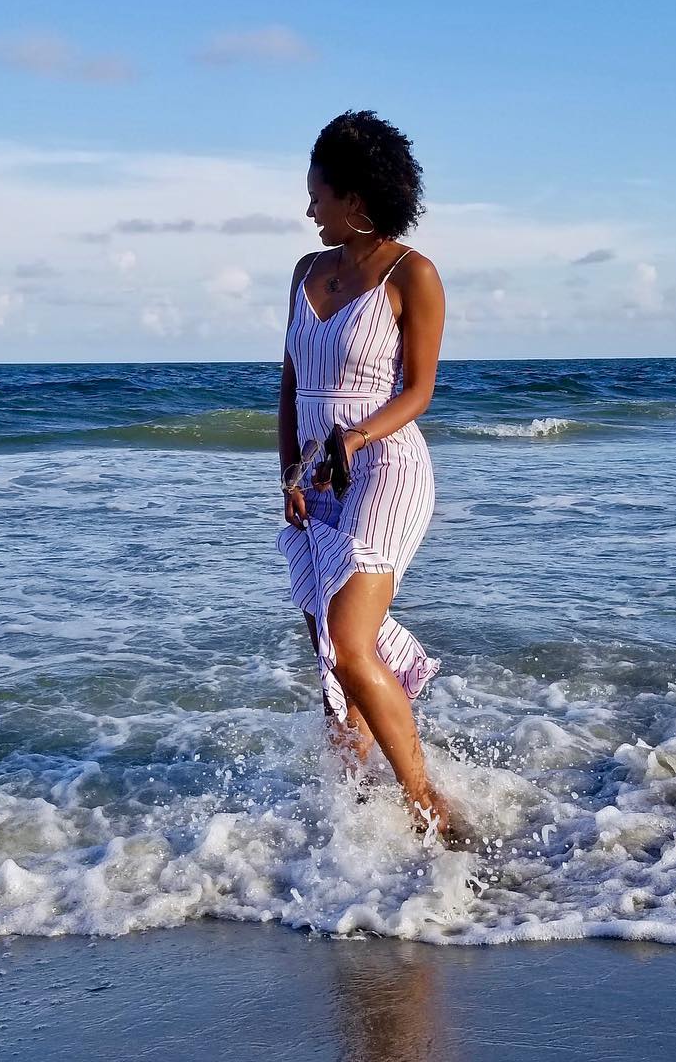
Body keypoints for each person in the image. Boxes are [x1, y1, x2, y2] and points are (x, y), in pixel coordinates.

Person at [276, 109, 452, 840]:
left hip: (385, 467)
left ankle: (427, 807)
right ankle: (351, 813)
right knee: (329, 653)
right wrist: (289, 473)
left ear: (354, 196)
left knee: (351, 642)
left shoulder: (413, 274)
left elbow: (419, 391)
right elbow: (290, 384)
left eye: (317, 195)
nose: (309, 209)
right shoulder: (305, 272)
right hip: (316, 478)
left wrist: (354, 436)